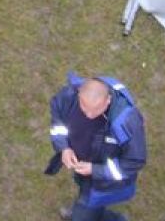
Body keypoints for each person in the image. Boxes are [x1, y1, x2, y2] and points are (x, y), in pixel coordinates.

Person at [45, 73, 147, 221]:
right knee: (89, 204)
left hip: (104, 181)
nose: (89, 115)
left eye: (96, 109)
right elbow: (58, 122)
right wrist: (64, 147)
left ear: (108, 101)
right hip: (83, 171)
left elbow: (135, 161)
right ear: (79, 94)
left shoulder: (127, 121)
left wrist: (95, 170)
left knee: (84, 213)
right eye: (84, 108)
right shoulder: (67, 97)